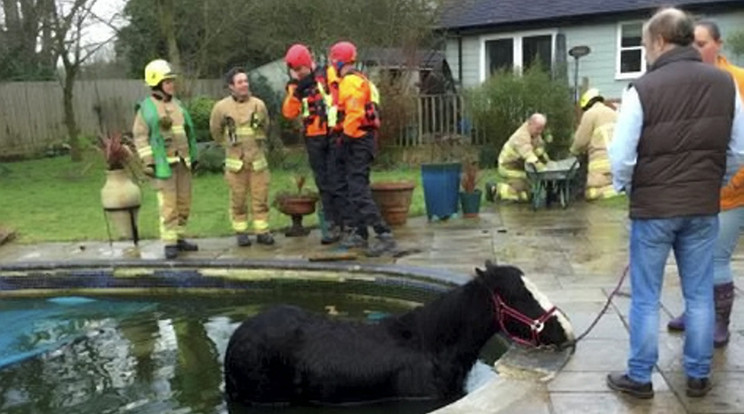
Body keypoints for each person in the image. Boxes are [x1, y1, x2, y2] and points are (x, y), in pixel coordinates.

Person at [606, 8, 744, 399]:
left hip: (653, 211)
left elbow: (622, 158)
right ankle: (699, 375)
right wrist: (712, 183)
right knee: (699, 293)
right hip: (703, 208)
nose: (646, 52)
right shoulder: (725, 84)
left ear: (661, 41)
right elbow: (739, 149)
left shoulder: (642, 89)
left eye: (647, 44)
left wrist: (629, 188)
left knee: (646, 297)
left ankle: (640, 377)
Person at [666, 19, 744, 348]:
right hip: (691, 190)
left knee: (715, 259)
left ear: (718, 44)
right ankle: (696, 310)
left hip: (729, 191)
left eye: (702, 44)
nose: (695, 51)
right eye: (690, 45)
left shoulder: (737, 81)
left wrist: (733, 182)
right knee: (690, 256)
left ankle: (719, 322)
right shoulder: (685, 83)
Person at [328, 40, 396, 256]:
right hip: (358, 140)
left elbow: (355, 114)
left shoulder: (350, 82)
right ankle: (360, 232)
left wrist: (344, 140)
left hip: (357, 141)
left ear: (339, 61)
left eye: (333, 61)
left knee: (358, 190)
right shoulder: (360, 80)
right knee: (352, 187)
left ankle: (383, 234)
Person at [132, 59, 199, 259]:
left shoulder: (178, 105)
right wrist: (149, 161)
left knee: (183, 202)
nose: (172, 84)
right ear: (156, 83)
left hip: (182, 163)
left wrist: (193, 157)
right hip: (163, 166)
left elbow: (189, 133)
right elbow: (140, 137)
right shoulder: (146, 108)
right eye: (167, 81)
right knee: (168, 204)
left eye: (172, 81)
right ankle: (169, 242)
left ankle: (179, 238)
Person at [282, 43, 348, 244]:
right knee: (323, 183)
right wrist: (296, 91)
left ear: (308, 63)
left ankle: (347, 224)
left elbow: (339, 94)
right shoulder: (296, 87)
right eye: (295, 70)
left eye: (301, 69)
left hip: (331, 134)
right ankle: (332, 225)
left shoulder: (326, 76)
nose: (299, 73)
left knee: (337, 180)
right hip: (313, 138)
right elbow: (289, 112)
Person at [209, 67, 274, 247]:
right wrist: (228, 145)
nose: (244, 85)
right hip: (235, 163)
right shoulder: (221, 107)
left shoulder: (259, 105)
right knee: (238, 199)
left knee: (260, 197)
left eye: (246, 81)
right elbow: (215, 131)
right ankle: (241, 232)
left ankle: (262, 231)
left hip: (257, 161)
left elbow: (266, 126)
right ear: (231, 86)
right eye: (240, 82)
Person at [570, 88, 618, 200]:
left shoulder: (590, 114)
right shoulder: (614, 113)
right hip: (617, 159)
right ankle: (617, 192)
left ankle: (611, 194)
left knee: (592, 192)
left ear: (587, 104)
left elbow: (580, 141)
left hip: (599, 163)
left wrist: (573, 151)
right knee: (614, 183)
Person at [496, 113, 550, 202]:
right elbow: (529, 156)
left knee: (528, 194)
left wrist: (548, 162)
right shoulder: (521, 137)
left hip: (520, 166)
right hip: (508, 167)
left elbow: (539, 150)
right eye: (538, 128)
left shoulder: (534, 134)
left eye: (542, 128)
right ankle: (498, 189)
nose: (540, 131)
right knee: (519, 196)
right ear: (530, 124)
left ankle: (519, 189)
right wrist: (543, 168)